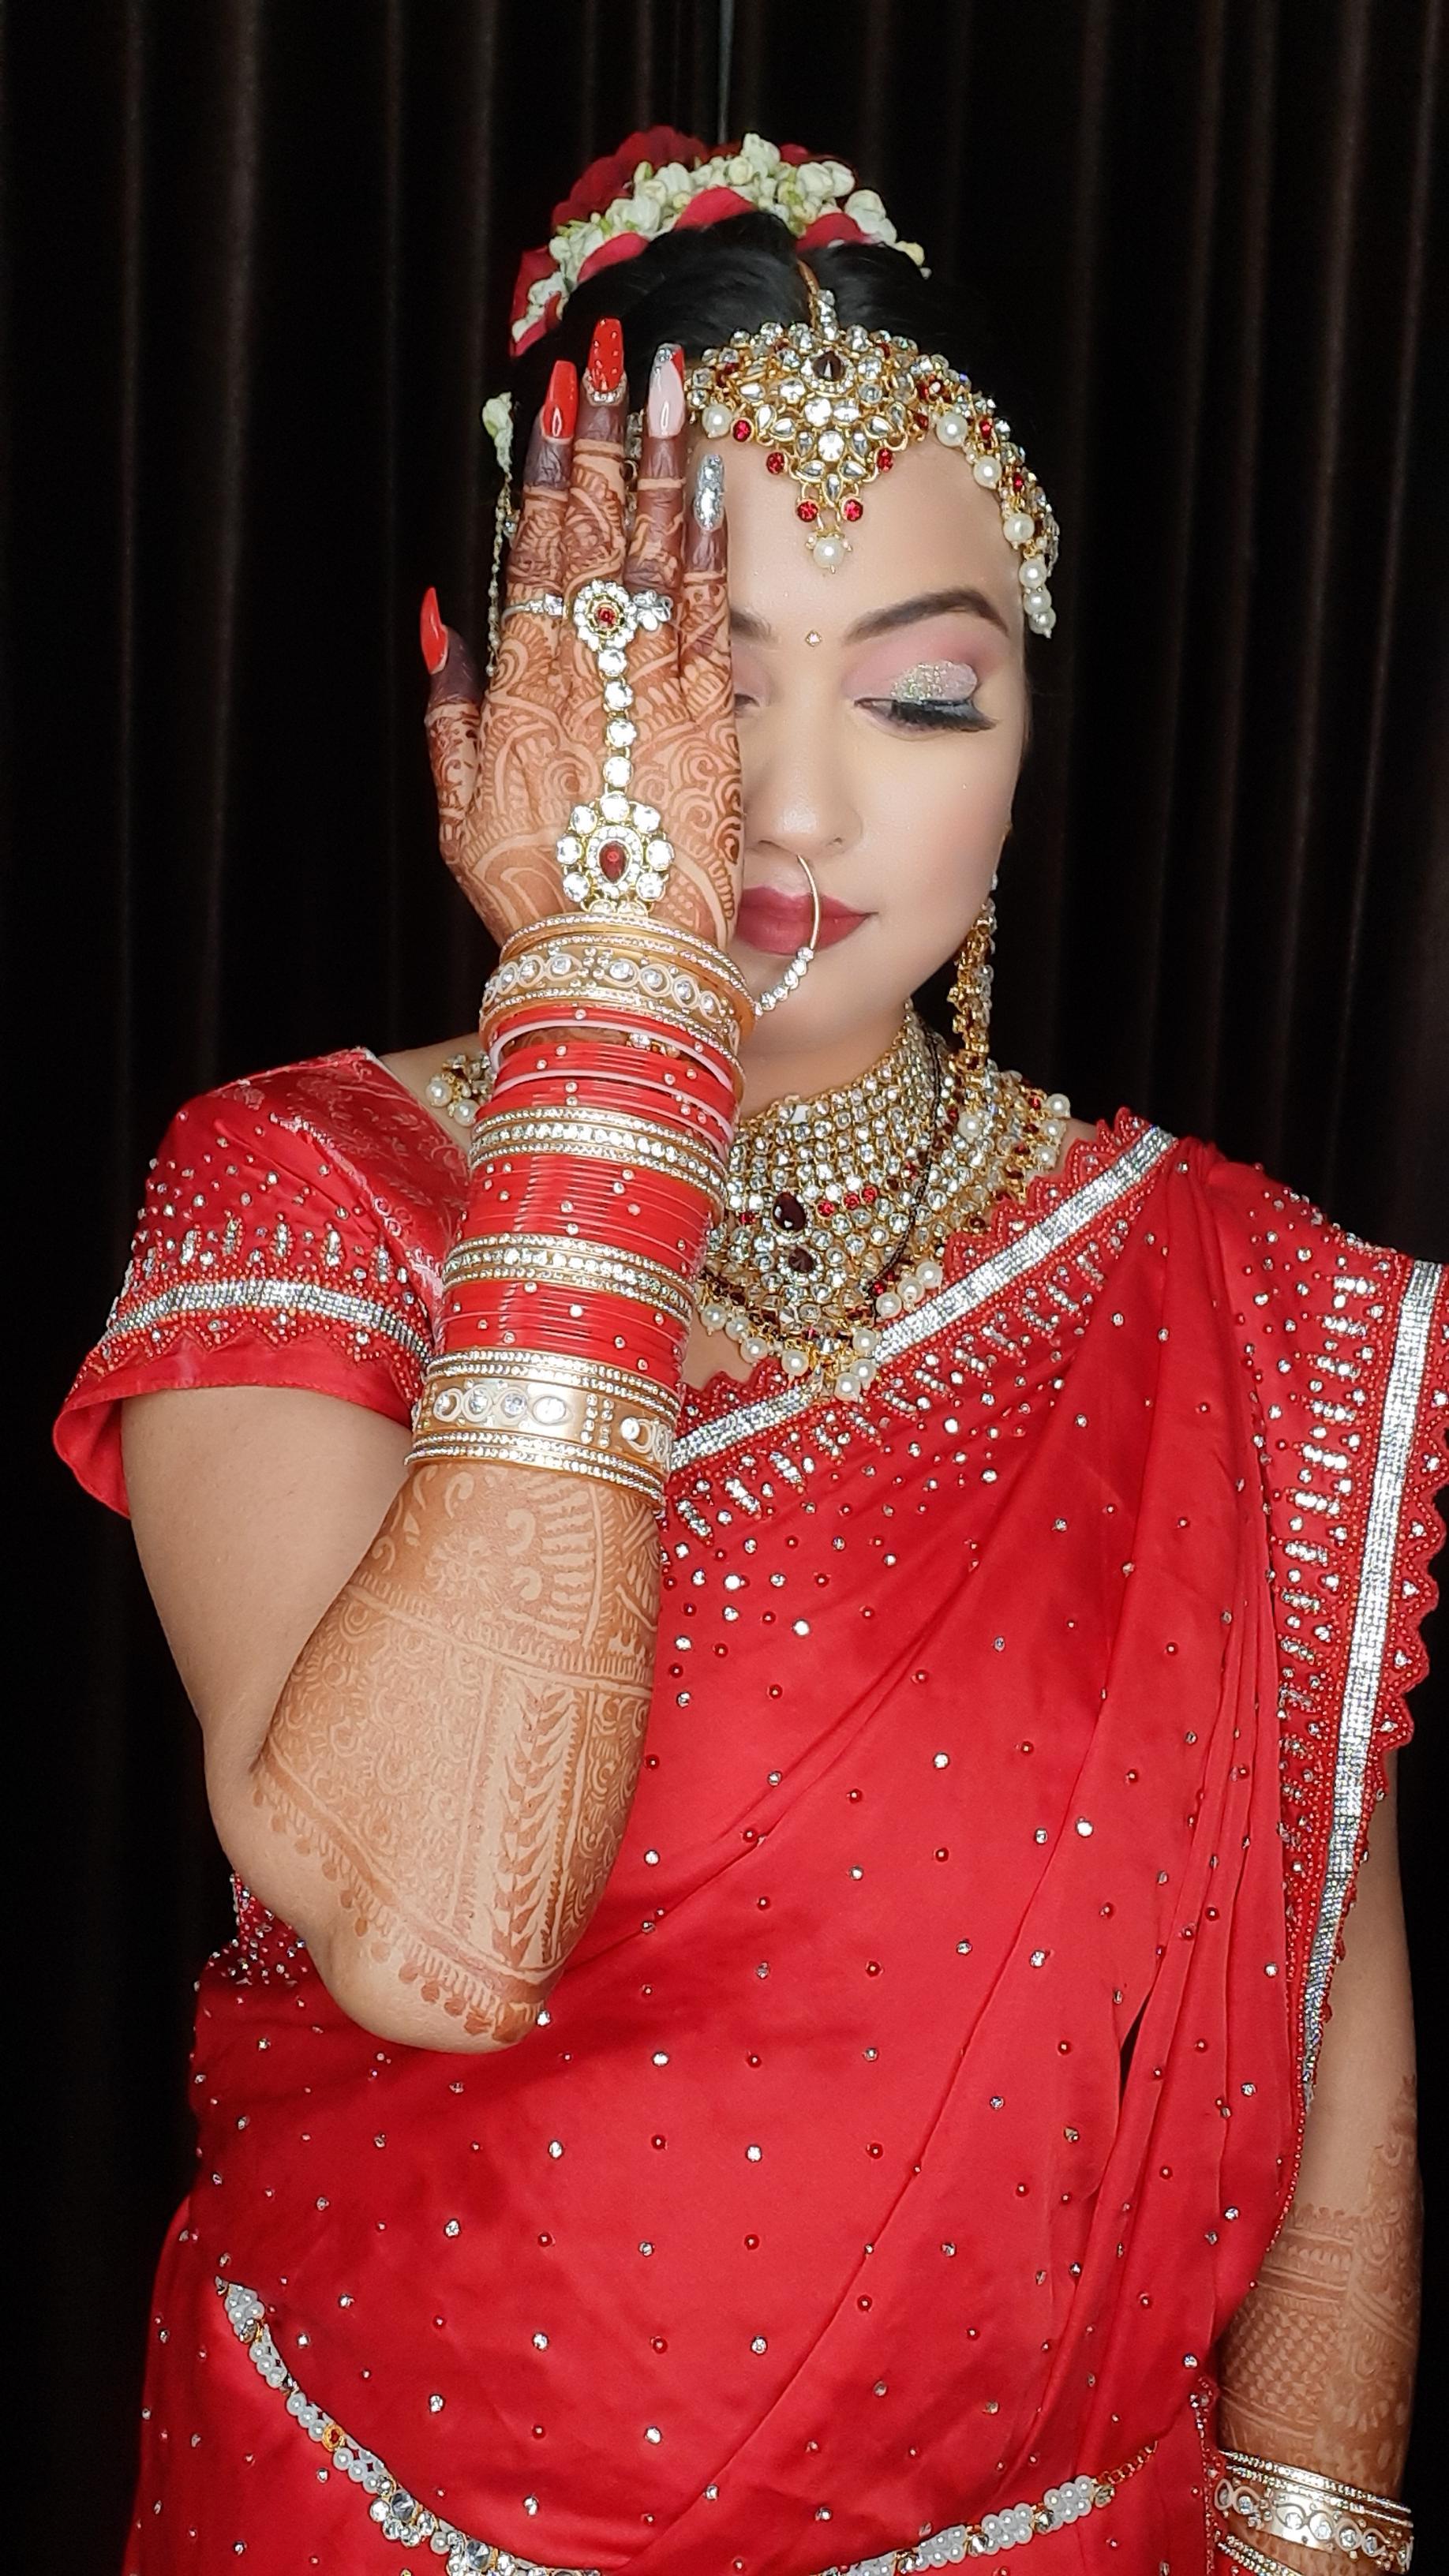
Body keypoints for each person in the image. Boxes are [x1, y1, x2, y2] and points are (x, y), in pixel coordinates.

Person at [55, 129, 1441, 2576]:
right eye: (687, 685)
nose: (788, 801)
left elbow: (1328, 2048)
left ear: (1024, 728)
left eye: (918, 691)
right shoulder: (306, 1185)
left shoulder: (1233, 1291)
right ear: (495, 706)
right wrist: (613, 1010)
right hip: (383, 2515)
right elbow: (435, 1934)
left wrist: (1311, 2538)